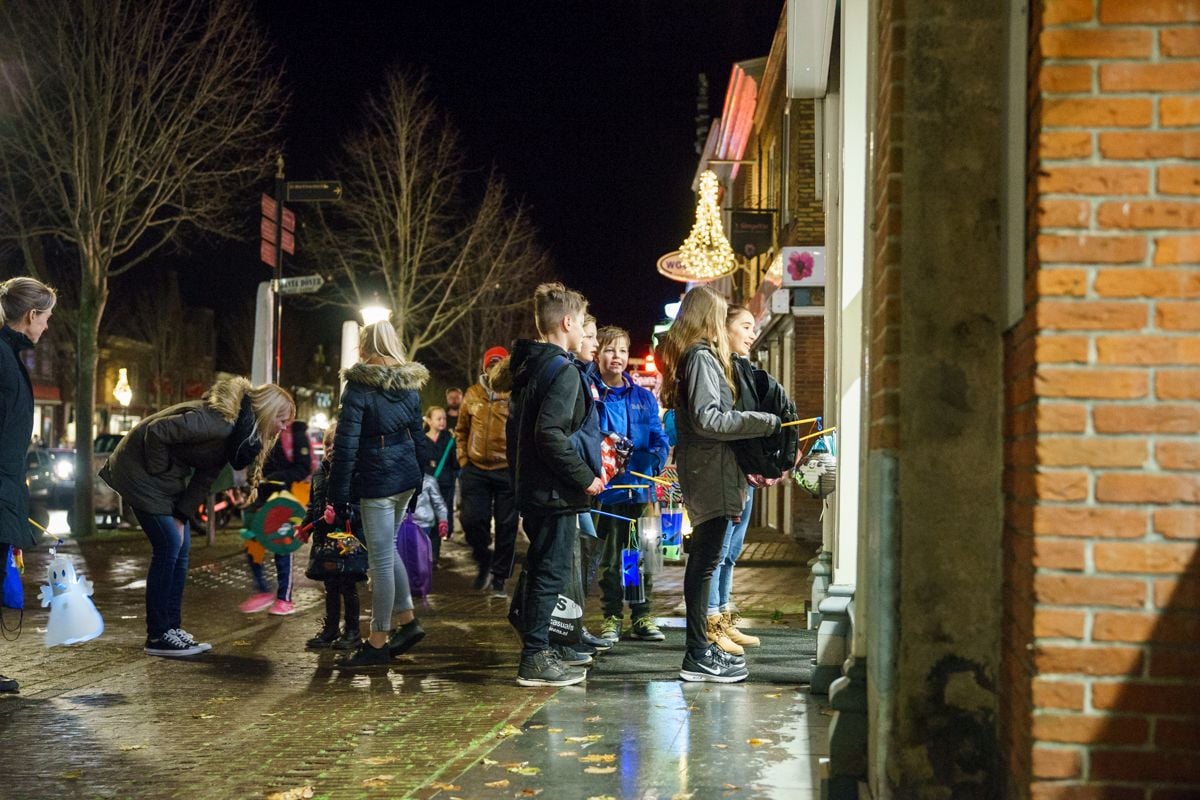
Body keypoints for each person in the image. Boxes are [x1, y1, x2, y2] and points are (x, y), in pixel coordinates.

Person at [101, 377, 295, 657]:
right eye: (282, 420)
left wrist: (182, 515)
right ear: (267, 412)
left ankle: (171, 628)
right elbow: (156, 431)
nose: (284, 428)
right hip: (136, 471)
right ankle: (157, 635)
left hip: (160, 480)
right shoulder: (218, 423)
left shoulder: (236, 433)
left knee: (181, 546)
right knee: (169, 545)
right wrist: (160, 471)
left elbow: (206, 475)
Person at [657, 285, 779, 683]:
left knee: (708, 560)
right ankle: (697, 652)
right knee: (706, 561)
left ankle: (701, 648)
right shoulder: (701, 357)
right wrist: (762, 422)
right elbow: (710, 418)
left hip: (712, 472)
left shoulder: (695, 357)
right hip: (712, 473)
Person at [507, 282, 604, 687]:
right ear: (566, 323)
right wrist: (586, 477)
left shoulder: (531, 367)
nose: (584, 331)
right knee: (550, 571)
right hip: (555, 491)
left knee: (542, 567)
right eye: (581, 323)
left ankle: (543, 648)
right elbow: (550, 434)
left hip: (535, 487)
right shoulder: (562, 370)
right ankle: (535, 657)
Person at [328, 320, 431, 668]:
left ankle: (377, 640)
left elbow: (346, 445)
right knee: (386, 550)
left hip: (377, 480)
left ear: (365, 346)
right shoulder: (409, 385)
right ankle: (408, 620)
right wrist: (419, 481)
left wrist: (337, 494)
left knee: (381, 561)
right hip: (405, 477)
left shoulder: (359, 387)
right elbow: (419, 437)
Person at [588, 326, 670, 645]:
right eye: (610, 349)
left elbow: (659, 438)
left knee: (638, 555)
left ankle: (641, 615)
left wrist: (655, 460)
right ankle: (611, 616)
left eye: (622, 350)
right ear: (598, 354)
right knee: (610, 560)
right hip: (608, 494)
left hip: (640, 491)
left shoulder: (643, 397)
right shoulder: (591, 395)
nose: (617, 356)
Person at [706, 305, 771, 655]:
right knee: (717, 553)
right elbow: (721, 421)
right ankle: (712, 623)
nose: (752, 334)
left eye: (753, 327)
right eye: (745, 326)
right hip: (725, 472)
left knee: (731, 553)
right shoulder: (714, 368)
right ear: (725, 328)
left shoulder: (743, 369)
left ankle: (724, 617)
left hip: (744, 473)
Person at [0, 277, 55, 692]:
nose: (48, 326)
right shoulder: (4, 360)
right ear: (32, 315)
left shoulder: (9, 356)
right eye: (47, 317)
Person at [455, 346, 518, 596]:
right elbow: (461, 430)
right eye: (491, 364)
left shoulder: (514, 394)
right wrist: (463, 459)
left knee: (506, 526)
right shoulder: (472, 394)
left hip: (506, 469)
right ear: (485, 367)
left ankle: (500, 577)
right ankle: (483, 559)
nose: (494, 369)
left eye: (499, 364)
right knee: (471, 519)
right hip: (475, 468)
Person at [240, 419, 313, 616]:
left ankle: (284, 599)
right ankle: (262, 590)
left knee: (281, 547)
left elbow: (303, 468)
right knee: (252, 542)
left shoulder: (295, 434)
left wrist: (276, 478)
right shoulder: (259, 432)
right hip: (261, 498)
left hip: (285, 500)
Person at [303, 423, 364, 650]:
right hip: (325, 540)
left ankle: (352, 631)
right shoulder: (320, 472)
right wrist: (305, 527)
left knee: (348, 585)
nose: (330, 449)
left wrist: (340, 516)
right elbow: (313, 504)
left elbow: (359, 509)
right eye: (328, 444)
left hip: (347, 540)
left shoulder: (354, 473)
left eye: (336, 445)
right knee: (330, 586)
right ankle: (330, 629)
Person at [421, 405, 459, 562]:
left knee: (439, 519)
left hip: (444, 486)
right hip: (426, 487)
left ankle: (434, 554)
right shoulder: (421, 440)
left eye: (444, 418)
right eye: (439, 418)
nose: (442, 421)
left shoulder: (449, 440)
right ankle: (424, 551)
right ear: (429, 421)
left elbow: (455, 463)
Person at [410, 472, 449, 553]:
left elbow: (438, 503)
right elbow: (439, 503)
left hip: (422, 523)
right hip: (418, 521)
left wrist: (443, 520)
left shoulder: (428, 481)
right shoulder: (428, 480)